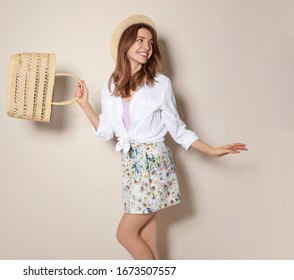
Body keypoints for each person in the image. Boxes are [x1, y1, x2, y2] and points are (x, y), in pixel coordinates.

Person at [75, 14, 247, 260]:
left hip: (154, 165)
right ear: (125, 44)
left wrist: (212, 150)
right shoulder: (110, 87)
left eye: (151, 42)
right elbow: (106, 132)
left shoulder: (160, 85)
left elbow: (178, 130)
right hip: (131, 166)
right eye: (140, 40)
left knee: (125, 234)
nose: (146, 47)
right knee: (148, 238)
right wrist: (84, 105)